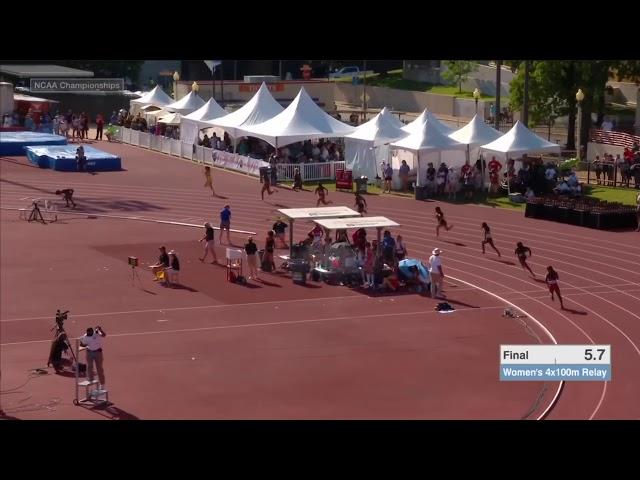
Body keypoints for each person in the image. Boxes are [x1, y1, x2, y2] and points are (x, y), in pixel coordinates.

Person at [80, 325, 107, 390]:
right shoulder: (85, 336)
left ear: (92, 332)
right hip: (89, 352)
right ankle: (91, 379)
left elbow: (104, 335)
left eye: (90, 333)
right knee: (89, 367)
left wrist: (101, 330)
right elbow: (82, 344)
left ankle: (102, 384)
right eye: (88, 333)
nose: (89, 334)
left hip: (98, 352)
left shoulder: (97, 333)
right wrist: (83, 343)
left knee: (99, 369)